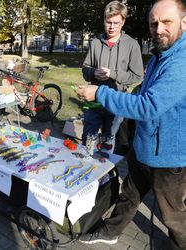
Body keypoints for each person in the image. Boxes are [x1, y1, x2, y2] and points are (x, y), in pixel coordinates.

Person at [76, 0, 186, 249]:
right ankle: (111, 231)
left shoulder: (181, 60)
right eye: (154, 23)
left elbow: (148, 106)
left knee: (173, 216)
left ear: (184, 22)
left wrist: (99, 93)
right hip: (144, 145)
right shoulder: (163, 53)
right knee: (130, 194)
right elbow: (143, 91)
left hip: (168, 157)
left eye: (166, 22)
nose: (159, 29)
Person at [81, 1, 143, 152]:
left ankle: (106, 172)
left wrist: (113, 74)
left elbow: (137, 75)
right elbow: (85, 69)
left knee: (109, 141)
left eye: (116, 23)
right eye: (108, 22)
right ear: (104, 20)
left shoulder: (132, 45)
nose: (112, 27)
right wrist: (93, 72)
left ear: (123, 22)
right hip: (94, 102)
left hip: (116, 102)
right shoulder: (95, 43)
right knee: (88, 140)